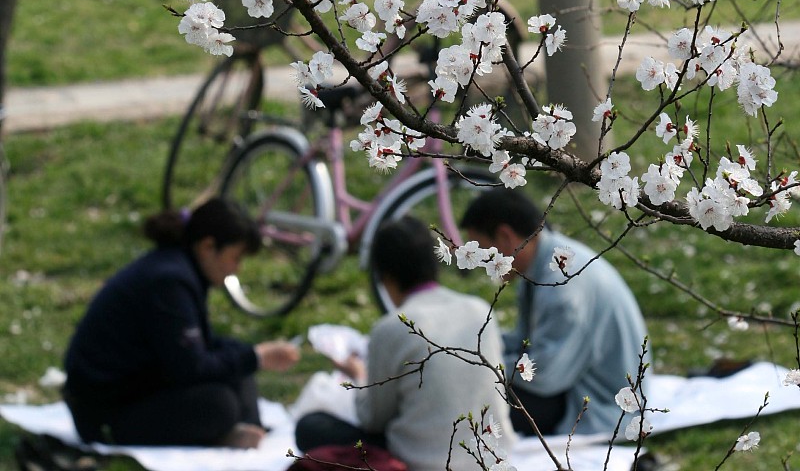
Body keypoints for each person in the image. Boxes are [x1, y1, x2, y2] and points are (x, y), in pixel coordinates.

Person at [63, 198, 300, 448]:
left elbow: (198, 346)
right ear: (208, 247)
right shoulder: (169, 281)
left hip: (144, 383)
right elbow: (191, 368)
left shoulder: (181, 268)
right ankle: (229, 432)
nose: (236, 269)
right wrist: (257, 358)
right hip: (106, 412)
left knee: (238, 358)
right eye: (235, 258)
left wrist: (251, 355)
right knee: (221, 403)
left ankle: (249, 431)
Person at [294, 217, 513, 471]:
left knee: (311, 428)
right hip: (493, 455)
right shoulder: (480, 310)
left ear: (385, 277)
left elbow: (372, 419)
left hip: (421, 462)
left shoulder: (391, 328)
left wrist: (358, 375)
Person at [462, 188, 650, 438]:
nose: (482, 264)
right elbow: (525, 341)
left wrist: (481, 366)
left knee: (473, 400)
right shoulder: (544, 261)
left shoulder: (560, 284)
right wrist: (476, 348)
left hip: (597, 402)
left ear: (505, 236)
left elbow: (545, 375)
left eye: (484, 253)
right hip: (576, 380)